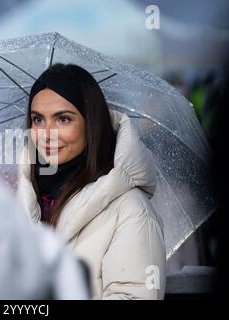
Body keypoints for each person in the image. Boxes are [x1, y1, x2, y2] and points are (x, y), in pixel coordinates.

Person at [17, 63, 166, 299]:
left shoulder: (131, 211)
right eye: (38, 119)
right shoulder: (27, 204)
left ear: (91, 124)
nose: (47, 134)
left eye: (63, 119)